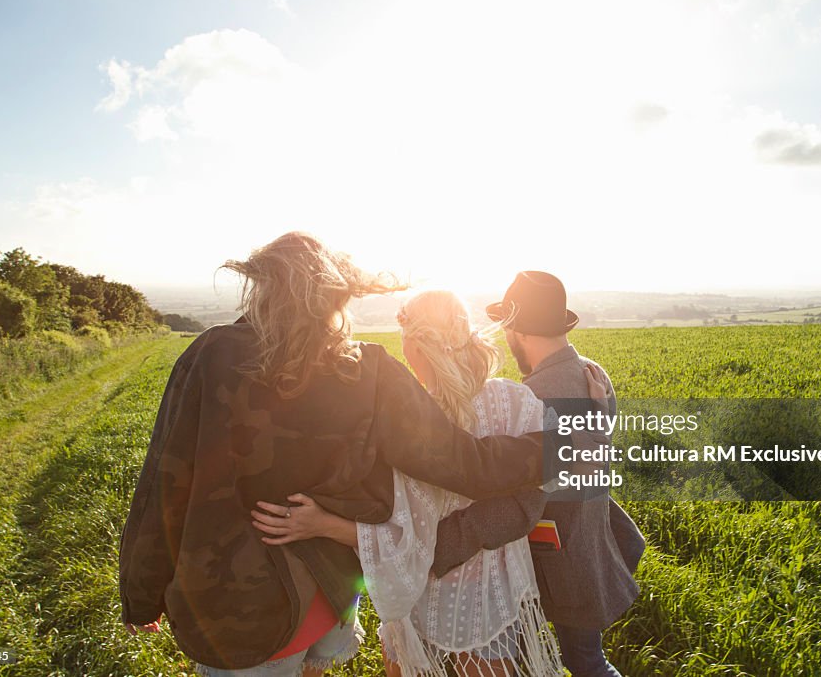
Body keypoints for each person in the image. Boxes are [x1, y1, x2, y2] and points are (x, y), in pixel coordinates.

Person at [118, 234, 548, 676]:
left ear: (263, 288)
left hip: (243, 613)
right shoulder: (371, 369)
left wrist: (141, 591)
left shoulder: (210, 356)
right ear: (334, 296)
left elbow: (165, 482)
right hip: (331, 597)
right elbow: (465, 463)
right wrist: (556, 449)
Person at [251, 291, 566, 677]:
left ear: (416, 347)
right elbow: (548, 477)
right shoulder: (518, 402)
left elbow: (400, 539)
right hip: (490, 600)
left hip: (421, 601)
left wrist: (320, 524)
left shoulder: (408, 429)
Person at [429, 271, 646, 677]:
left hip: (561, 563)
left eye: (509, 330)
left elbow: (521, 505)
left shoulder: (538, 397)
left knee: (584, 663)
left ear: (517, 330)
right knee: (579, 657)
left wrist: (438, 546)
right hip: (589, 546)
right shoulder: (593, 374)